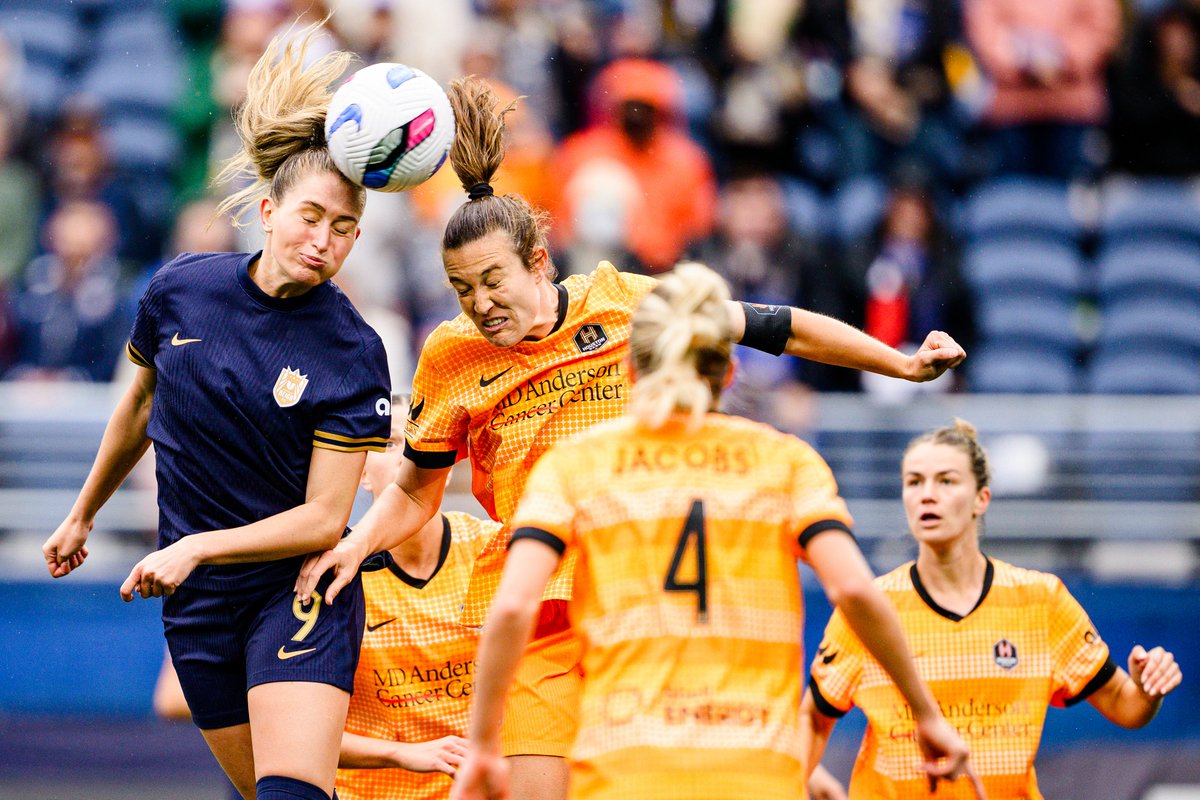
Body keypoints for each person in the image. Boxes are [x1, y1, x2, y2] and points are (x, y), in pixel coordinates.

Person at [296, 77, 967, 800]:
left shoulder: (623, 301)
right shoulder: (452, 356)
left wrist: (897, 360)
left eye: (494, 280)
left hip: (642, 602)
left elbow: (780, 327)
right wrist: (357, 543)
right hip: (541, 618)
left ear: (539, 262)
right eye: (463, 290)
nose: (481, 304)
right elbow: (417, 493)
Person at [449, 262, 974, 800]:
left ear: (630, 373)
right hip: (753, 771)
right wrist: (925, 713)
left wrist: (485, 745)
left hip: (625, 769)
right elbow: (854, 591)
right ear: (727, 374)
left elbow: (513, 608)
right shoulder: (784, 462)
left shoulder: (575, 467)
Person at [40, 24, 391, 800]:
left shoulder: (351, 348)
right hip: (198, 609)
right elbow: (138, 404)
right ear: (267, 210)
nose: (322, 240)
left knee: (293, 794)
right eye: (309, 216)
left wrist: (196, 546)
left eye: (342, 229)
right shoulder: (180, 289)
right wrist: (82, 515)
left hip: (295, 591)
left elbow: (323, 520)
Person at [803, 419, 1183, 798]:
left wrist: (1147, 691)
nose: (926, 495)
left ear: (981, 498)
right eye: (914, 482)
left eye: (946, 481)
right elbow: (812, 719)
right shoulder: (870, 607)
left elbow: (1124, 706)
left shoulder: (1040, 599)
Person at [336, 405, 501, 800]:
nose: (407, 453)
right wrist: (402, 754)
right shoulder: (337, 574)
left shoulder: (493, 549)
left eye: (417, 438)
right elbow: (297, 735)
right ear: (360, 473)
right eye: (389, 443)